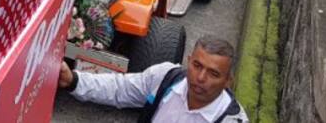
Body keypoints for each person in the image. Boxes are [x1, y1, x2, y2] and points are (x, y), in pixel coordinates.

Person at [58, 35, 248, 122]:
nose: (200, 77)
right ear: (188, 61)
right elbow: (120, 88)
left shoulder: (231, 119)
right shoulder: (166, 77)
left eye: (213, 73)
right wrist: (74, 80)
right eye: (197, 66)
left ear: (228, 81)